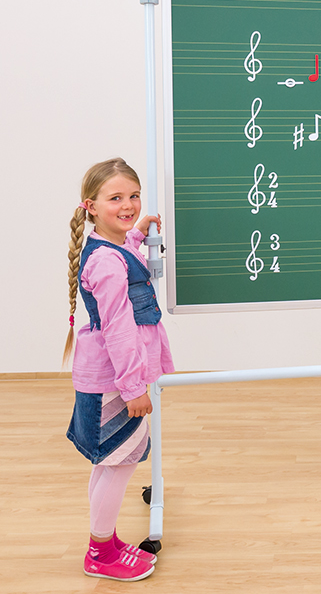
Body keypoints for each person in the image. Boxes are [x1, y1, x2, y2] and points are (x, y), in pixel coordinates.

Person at [63, 157, 174, 580]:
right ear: (91, 206)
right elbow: (119, 329)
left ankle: (105, 543)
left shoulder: (109, 248)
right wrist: (133, 388)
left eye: (133, 195)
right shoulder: (107, 263)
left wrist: (137, 232)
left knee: (109, 462)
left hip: (105, 379)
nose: (127, 205)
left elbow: (123, 254)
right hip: (115, 382)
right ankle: (99, 553)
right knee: (119, 464)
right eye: (115, 198)